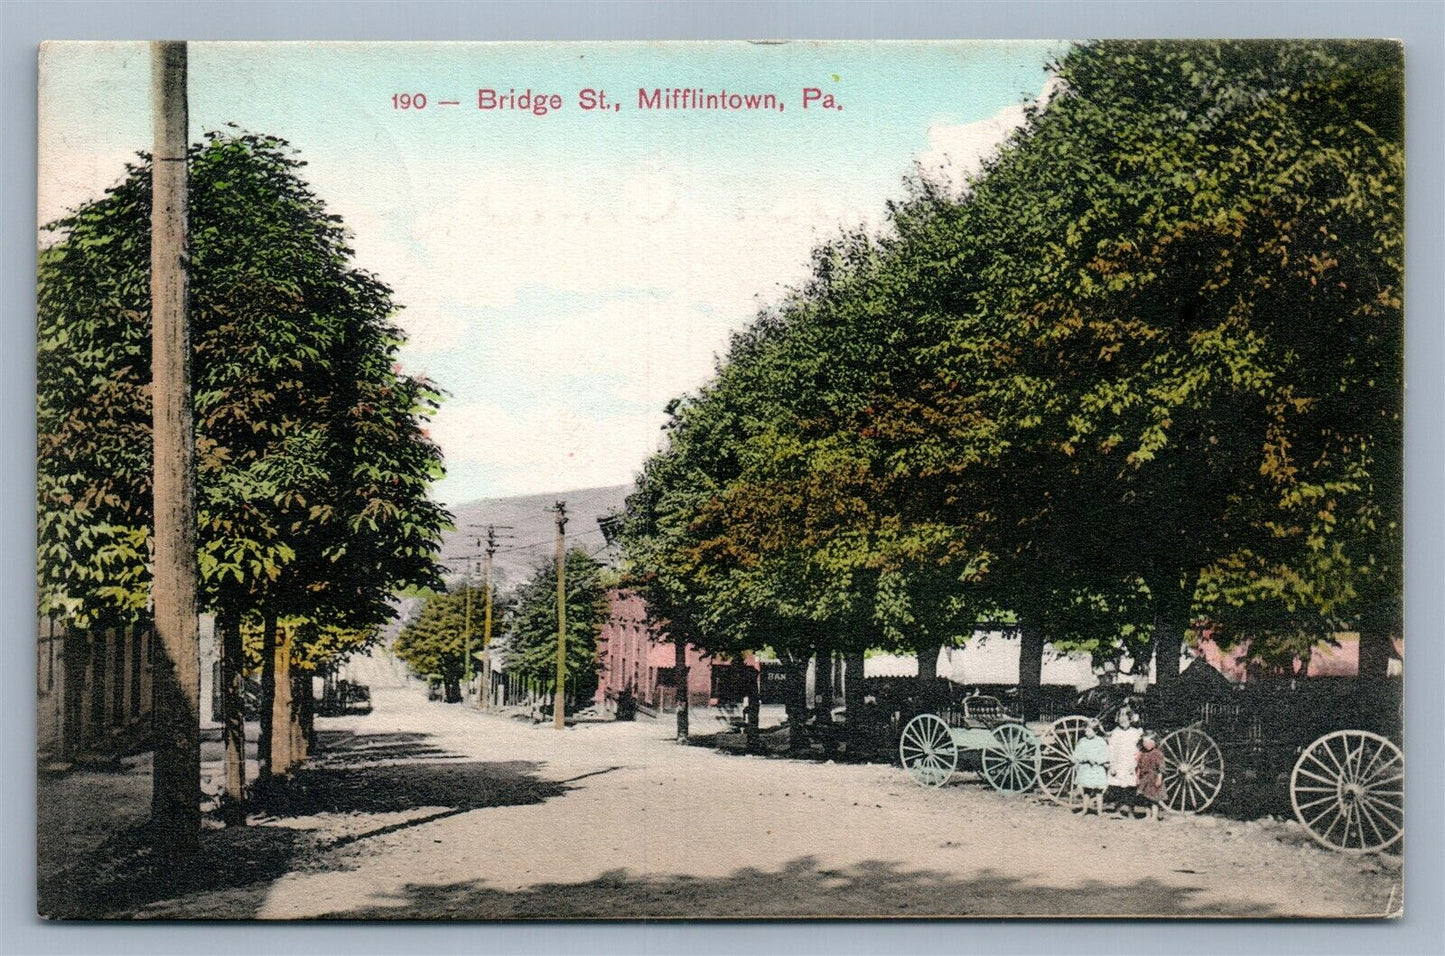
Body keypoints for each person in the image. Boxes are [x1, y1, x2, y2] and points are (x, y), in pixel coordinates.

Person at [1107, 707, 1144, 816]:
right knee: (1117, 788)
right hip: (1118, 763)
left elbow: (1138, 749)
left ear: (1130, 720)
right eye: (1121, 720)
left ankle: (1131, 811)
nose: (1124, 722)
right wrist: (1111, 764)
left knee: (1130, 788)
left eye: (1126, 720)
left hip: (1130, 763)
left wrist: (1135, 764)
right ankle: (1118, 810)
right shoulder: (1115, 733)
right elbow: (1111, 749)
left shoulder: (1134, 733)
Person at [1071, 720, 1110, 815]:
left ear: (1095, 731)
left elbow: (1105, 754)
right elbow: (1078, 754)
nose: (1086, 733)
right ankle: (1085, 810)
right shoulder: (1082, 741)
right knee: (1086, 790)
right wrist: (1084, 759)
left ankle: (1099, 811)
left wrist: (1097, 760)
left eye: (1089, 731)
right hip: (1086, 768)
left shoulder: (1101, 741)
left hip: (1097, 768)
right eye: (1085, 731)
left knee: (1098, 791)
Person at [1136, 733, 1165, 821]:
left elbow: (1161, 768)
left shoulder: (1157, 753)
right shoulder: (1143, 753)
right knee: (1145, 798)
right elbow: (1139, 767)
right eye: (1145, 742)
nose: (1147, 744)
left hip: (1153, 778)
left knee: (1153, 799)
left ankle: (1154, 816)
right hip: (1144, 778)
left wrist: (1159, 779)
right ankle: (1148, 815)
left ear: (1154, 743)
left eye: (1149, 742)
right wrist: (1137, 777)